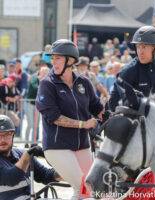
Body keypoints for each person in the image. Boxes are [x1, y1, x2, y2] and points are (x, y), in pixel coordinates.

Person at [36, 39, 104, 199]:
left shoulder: (84, 82)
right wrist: (84, 124)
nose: (53, 62)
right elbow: (54, 117)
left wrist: (108, 112)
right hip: (57, 147)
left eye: (58, 58)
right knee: (83, 186)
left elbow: (96, 107)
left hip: (82, 145)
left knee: (88, 190)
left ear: (71, 60)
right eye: (52, 58)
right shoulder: (47, 84)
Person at [0, 114, 61, 200]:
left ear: (13, 135)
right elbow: (11, 178)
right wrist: (28, 155)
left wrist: (65, 174)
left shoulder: (20, 154)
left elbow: (45, 175)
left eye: (7, 134)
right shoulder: (25, 155)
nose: (2, 140)